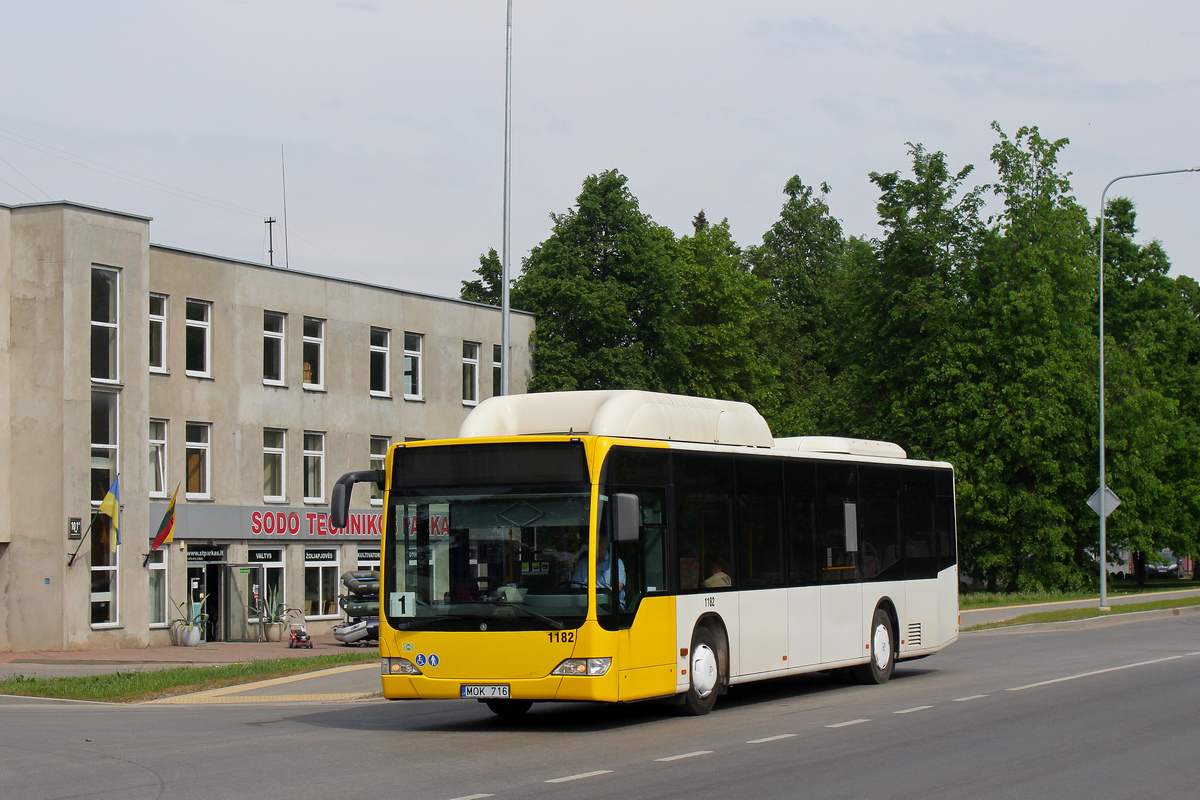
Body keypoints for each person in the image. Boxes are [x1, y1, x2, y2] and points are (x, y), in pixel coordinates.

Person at [571, 533, 626, 608]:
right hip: (585, 605)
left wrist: (600, 593)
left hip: (611, 607)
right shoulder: (582, 564)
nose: (597, 545)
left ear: (607, 545)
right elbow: (574, 588)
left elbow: (618, 586)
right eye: (594, 542)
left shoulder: (616, 563)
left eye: (600, 542)